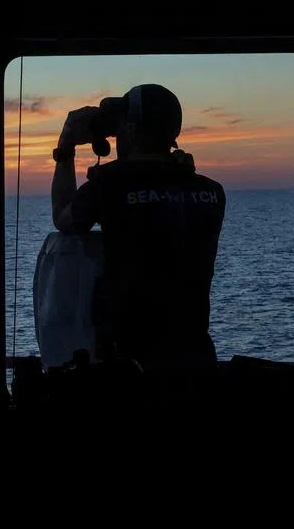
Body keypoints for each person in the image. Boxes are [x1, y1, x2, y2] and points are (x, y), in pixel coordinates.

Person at [50, 83, 225, 371]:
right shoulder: (212, 193)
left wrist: (66, 148)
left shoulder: (108, 186)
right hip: (196, 359)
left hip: (131, 365)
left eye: (119, 128)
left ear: (131, 131)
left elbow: (63, 217)